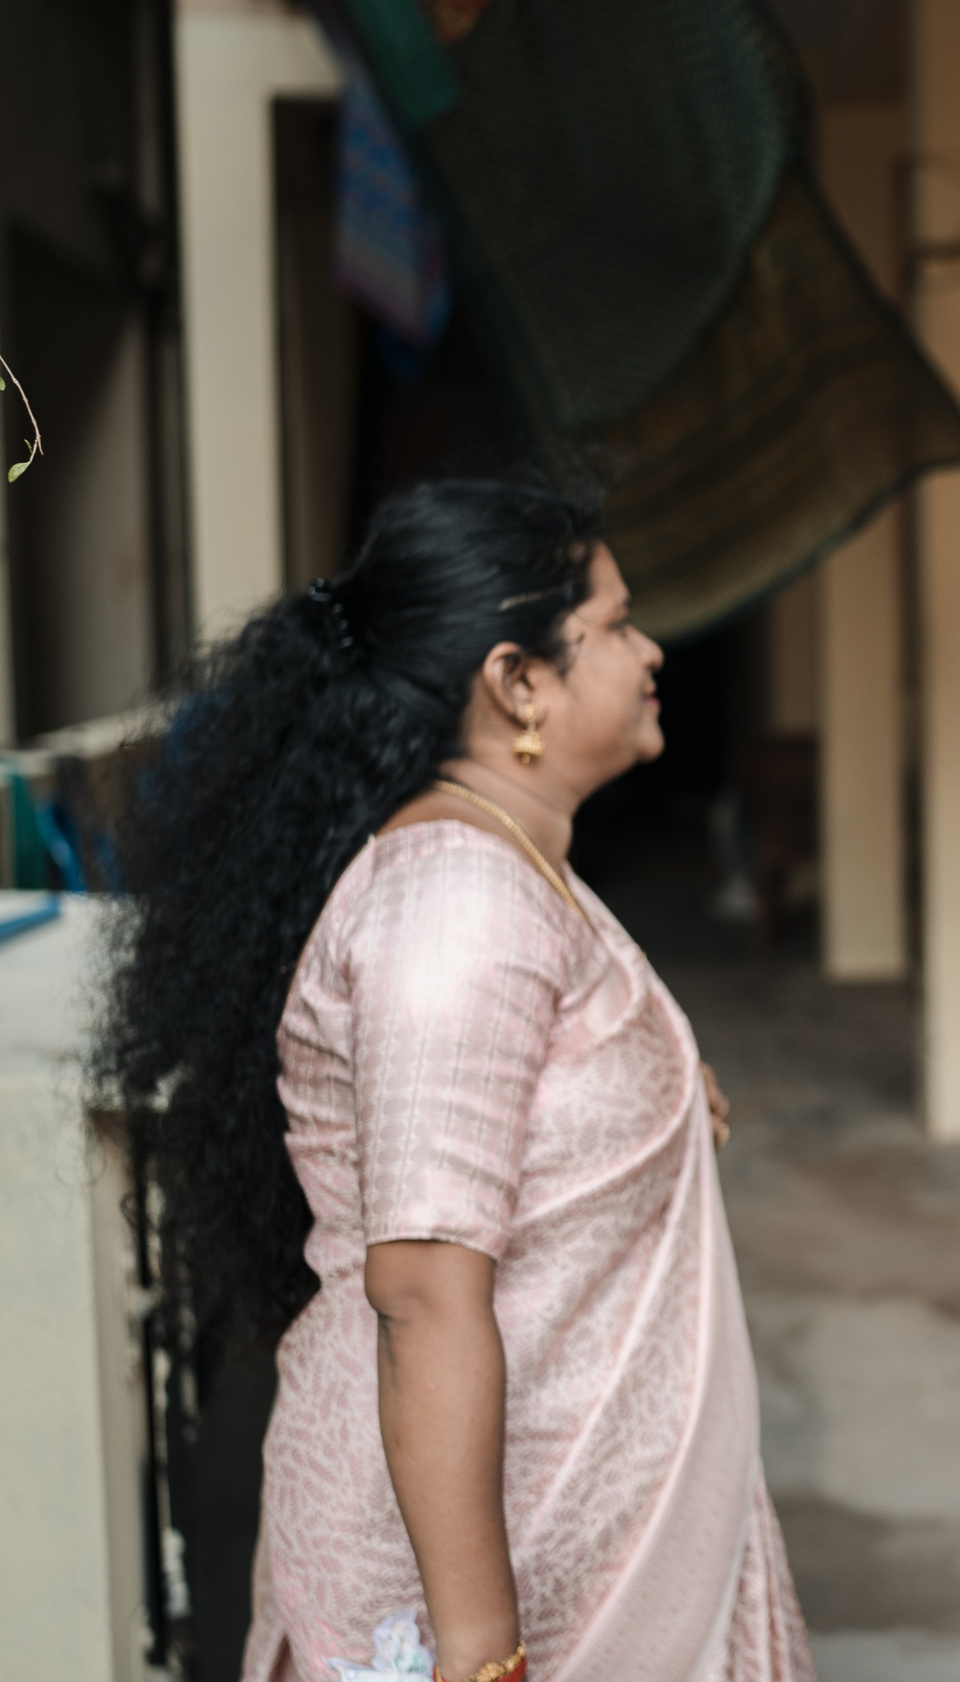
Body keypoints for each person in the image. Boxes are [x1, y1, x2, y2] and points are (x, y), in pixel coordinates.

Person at [90, 482, 814, 1682]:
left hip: (572, 1526)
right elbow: (423, 1290)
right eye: (617, 622)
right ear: (517, 681)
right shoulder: (455, 904)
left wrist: (668, 1092)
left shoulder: (514, 862)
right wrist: (481, 1656)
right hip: (467, 1586)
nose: (650, 652)